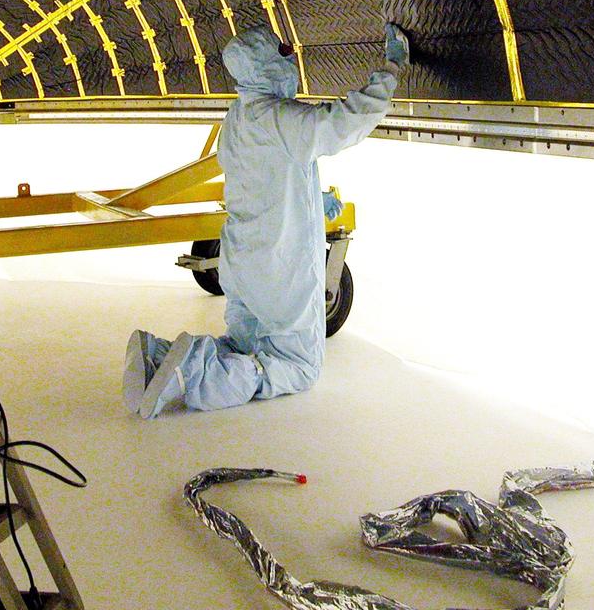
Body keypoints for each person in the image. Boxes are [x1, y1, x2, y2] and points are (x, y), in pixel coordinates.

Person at [122, 22, 411, 418]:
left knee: (245, 345)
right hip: (278, 266)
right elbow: (343, 122)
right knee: (298, 366)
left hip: (242, 259)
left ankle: (157, 355)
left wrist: (312, 199)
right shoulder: (279, 117)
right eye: (283, 52)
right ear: (267, 65)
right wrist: (391, 70)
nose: (292, 58)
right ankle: (190, 374)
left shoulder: (238, 119)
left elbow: (264, 176)